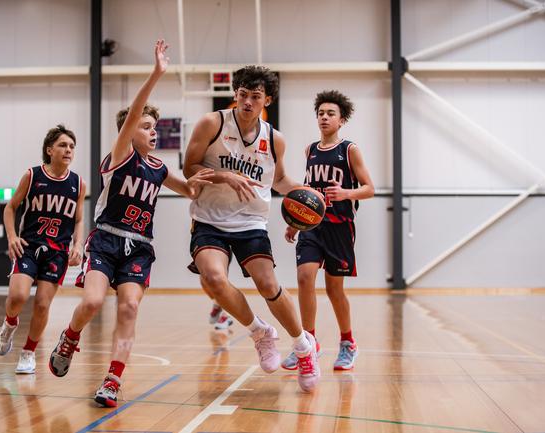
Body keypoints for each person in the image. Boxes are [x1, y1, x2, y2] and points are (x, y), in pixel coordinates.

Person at [48, 40, 213, 408]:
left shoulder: (158, 169)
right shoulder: (120, 156)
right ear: (130, 130)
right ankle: (69, 338)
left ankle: (112, 379)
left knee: (129, 308)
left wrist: (218, 178)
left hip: (139, 245)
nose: (154, 132)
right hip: (106, 240)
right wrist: (156, 74)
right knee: (91, 302)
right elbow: (137, 108)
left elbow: (190, 190)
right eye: (147, 126)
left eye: (155, 127)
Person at [183, 65, 320, 392]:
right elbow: (189, 167)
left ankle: (303, 346)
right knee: (214, 278)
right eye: (242, 94)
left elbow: (280, 180)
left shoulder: (274, 139)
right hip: (209, 218)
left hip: (250, 221)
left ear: (266, 100)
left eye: (255, 96)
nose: (247, 101)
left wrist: (305, 192)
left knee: (267, 282)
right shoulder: (212, 124)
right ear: (236, 94)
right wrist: (223, 175)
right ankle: (260, 332)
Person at [281, 90, 374, 371]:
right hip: (313, 227)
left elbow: (370, 189)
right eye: (320, 113)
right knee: (304, 277)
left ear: (341, 119)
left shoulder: (349, 150)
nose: (324, 117)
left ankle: (348, 343)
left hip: (340, 228)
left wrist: (346, 193)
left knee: (335, 290)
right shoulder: (310, 150)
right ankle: (308, 343)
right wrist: (295, 220)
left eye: (330, 113)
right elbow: (307, 193)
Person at [0, 124, 85, 375]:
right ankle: (9, 324)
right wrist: (12, 236)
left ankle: (28, 352)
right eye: (63, 145)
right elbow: (10, 207)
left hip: (57, 251)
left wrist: (78, 245)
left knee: (43, 304)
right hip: (29, 245)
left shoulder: (78, 183)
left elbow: (78, 219)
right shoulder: (32, 176)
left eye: (72, 146)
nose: (68, 150)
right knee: (18, 297)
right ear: (49, 149)